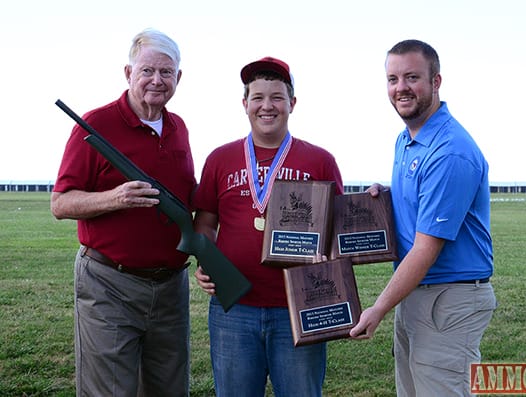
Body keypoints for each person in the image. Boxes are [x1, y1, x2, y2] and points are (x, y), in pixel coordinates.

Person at [51, 28, 195, 396]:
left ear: (178, 78)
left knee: (170, 388)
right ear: (129, 73)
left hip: (170, 288)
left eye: (166, 72)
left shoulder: (179, 129)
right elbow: (61, 202)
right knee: (109, 390)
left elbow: (188, 196)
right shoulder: (96, 125)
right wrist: (115, 198)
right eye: (147, 71)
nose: (156, 80)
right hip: (109, 284)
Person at [349, 39, 497, 396]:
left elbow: (425, 248)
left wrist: (378, 308)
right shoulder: (408, 139)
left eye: (412, 77)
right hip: (418, 294)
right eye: (392, 78)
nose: (401, 88)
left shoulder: (450, 151)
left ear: (436, 81)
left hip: (448, 299)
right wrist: (382, 201)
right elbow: (417, 208)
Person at [192, 56, 343, 397]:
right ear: (245, 104)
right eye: (257, 97)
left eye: (276, 97)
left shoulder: (319, 160)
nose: (267, 106)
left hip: (298, 309)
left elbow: (337, 230)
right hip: (234, 309)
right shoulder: (220, 158)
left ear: (292, 103)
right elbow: (205, 221)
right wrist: (207, 260)